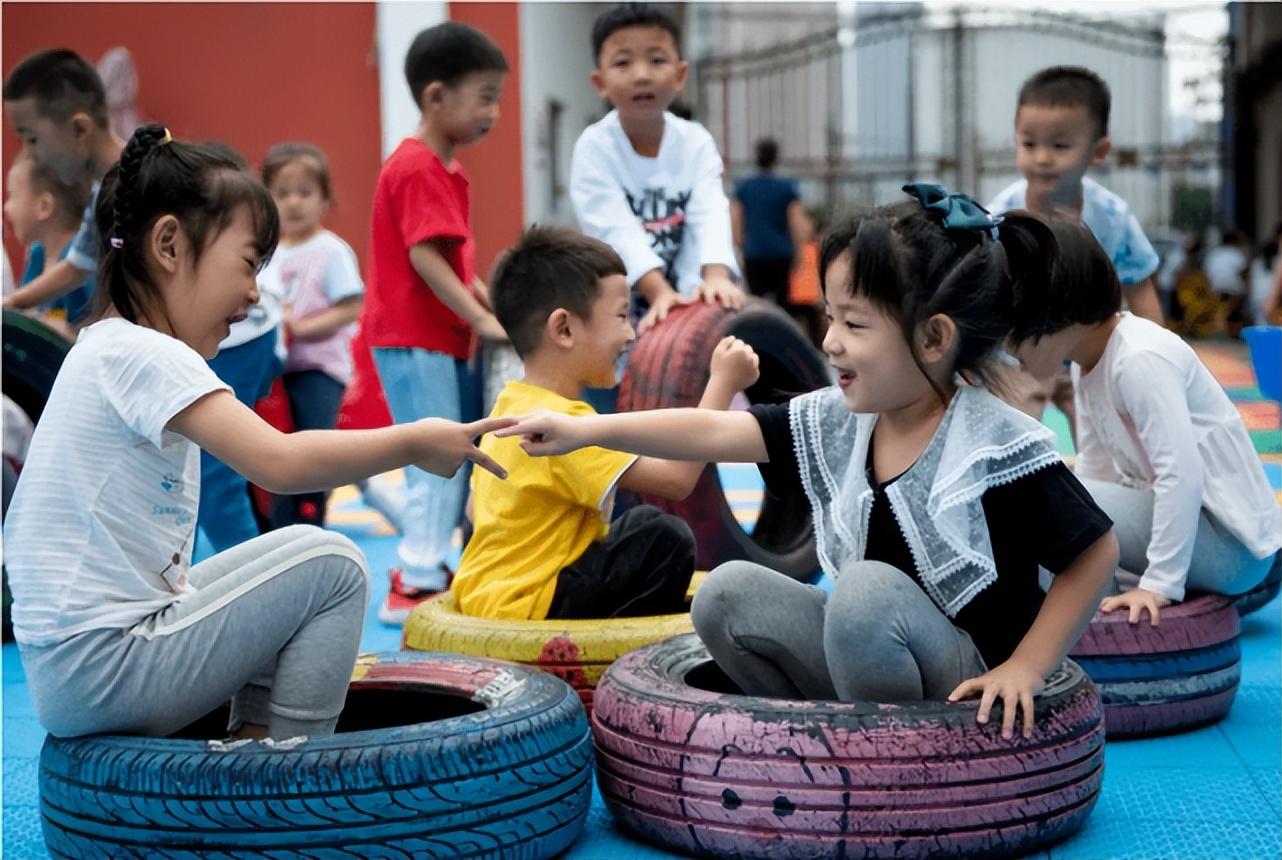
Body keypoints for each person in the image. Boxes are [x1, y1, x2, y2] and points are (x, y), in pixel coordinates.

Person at [498, 186, 1119, 738]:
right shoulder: (842, 420)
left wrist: (1028, 667)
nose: (830, 342)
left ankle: (892, 754)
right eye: (828, 317)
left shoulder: (993, 441)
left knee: (864, 594)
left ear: (934, 339)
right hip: (870, 651)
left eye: (854, 323)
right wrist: (586, 430)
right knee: (726, 593)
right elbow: (713, 430)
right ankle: (817, 744)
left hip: (964, 677)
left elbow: (1096, 554)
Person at [2, 125, 513, 741]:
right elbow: (281, 462)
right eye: (248, 265)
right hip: (106, 667)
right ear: (169, 244)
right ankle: (285, 774)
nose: (254, 293)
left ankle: (249, 747)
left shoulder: (106, 348)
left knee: (283, 561)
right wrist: (412, 441)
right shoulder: (144, 353)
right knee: (334, 565)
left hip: (79, 669)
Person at [453, 227, 759, 621]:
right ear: (563, 329)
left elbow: (475, 512)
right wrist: (722, 382)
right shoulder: (566, 425)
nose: (630, 334)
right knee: (661, 538)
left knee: (627, 517)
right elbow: (678, 480)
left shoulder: (510, 404)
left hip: (485, 597)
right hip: (528, 609)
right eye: (620, 316)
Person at [1006, 218, 1282, 625]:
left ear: (1060, 316)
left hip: (1231, 549)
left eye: (1015, 333)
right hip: (1204, 538)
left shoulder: (1139, 357)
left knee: (1042, 491)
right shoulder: (1089, 363)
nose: (1009, 350)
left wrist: (1159, 584)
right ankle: (1093, 592)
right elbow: (1096, 470)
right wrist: (1107, 568)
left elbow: (1182, 474)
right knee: (1060, 488)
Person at [360, 22, 511, 623]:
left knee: (447, 453)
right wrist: (481, 316)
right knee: (440, 455)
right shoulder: (420, 166)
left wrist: (486, 309)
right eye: (484, 97)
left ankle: (421, 562)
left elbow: (451, 259)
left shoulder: (443, 168)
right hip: (415, 336)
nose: (493, 113)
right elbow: (424, 259)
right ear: (436, 97)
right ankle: (416, 578)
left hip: (432, 339)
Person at [570, 2, 745, 337]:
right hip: (619, 307)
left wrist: (716, 278)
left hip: (691, 301)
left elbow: (709, 212)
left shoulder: (695, 142)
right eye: (623, 62)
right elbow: (614, 229)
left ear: (680, 75)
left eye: (657, 59)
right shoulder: (594, 148)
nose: (642, 75)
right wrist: (658, 292)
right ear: (600, 82)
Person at [988, 66, 1163, 325]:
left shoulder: (1113, 218)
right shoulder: (996, 222)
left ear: (1099, 151)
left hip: (1092, 360)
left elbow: (1141, 295)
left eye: (1059, 145)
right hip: (1017, 359)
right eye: (1029, 144)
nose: (1042, 158)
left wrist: (1160, 357)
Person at [258, 142, 364, 529]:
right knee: (275, 450)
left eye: (305, 193)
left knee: (315, 444)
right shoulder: (266, 253)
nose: (294, 203)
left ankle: (312, 517)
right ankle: (278, 523)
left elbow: (350, 306)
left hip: (319, 367)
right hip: (274, 369)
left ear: (324, 199)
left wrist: (300, 328)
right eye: (282, 194)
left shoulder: (331, 251)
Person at [2, 49, 124, 315]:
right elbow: (77, 266)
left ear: (79, 129)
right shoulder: (102, 190)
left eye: (32, 139)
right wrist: (10, 304)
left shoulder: (152, 182)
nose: (32, 157)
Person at [3, 148, 93, 331]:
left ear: (44, 206)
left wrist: (66, 331)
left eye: (12, 195)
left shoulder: (84, 261)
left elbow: (104, 325)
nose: (6, 208)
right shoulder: (38, 254)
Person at [732, 138, 808, 309]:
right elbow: (796, 223)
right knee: (783, 304)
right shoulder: (786, 187)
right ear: (776, 158)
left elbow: (736, 222)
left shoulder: (744, 187)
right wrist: (800, 252)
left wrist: (740, 246)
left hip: (754, 254)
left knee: (755, 304)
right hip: (781, 254)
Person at [1203, 228, 1250, 337]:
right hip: (1233, 289)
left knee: (1219, 310)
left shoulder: (1214, 253)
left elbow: (1206, 271)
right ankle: (1234, 331)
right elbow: (1243, 273)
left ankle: (1219, 330)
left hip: (1215, 288)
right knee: (1234, 311)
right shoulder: (1236, 253)